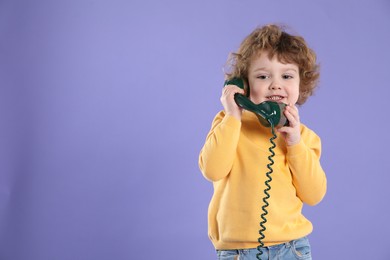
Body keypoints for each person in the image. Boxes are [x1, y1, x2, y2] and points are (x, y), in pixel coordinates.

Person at [198, 24, 327, 260]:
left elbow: (314, 194)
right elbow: (212, 169)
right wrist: (233, 116)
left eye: (287, 76)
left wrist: (295, 144)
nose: (275, 84)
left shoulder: (305, 137)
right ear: (244, 85)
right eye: (262, 76)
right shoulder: (227, 124)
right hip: (237, 252)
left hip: (292, 248)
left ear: (301, 84)